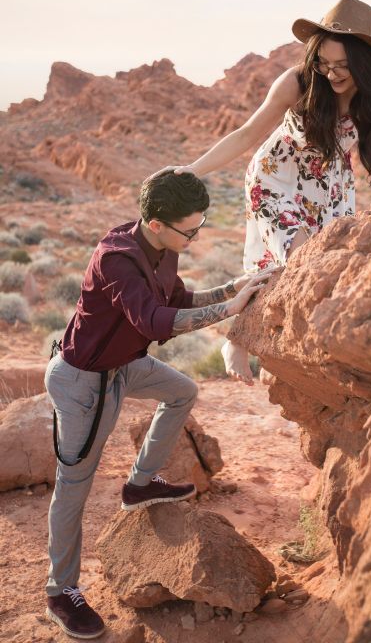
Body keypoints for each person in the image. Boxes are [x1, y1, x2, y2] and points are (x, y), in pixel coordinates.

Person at [44, 171, 273, 640]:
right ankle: (59, 590)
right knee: (74, 488)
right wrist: (229, 313)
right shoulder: (116, 259)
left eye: (199, 225)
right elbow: (152, 321)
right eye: (189, 229)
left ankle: (140, 484)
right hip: (83, 381)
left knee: (183, 391)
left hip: (125, 365)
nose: (195, 236)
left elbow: (180, 300)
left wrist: (236, 287)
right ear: (154, 223)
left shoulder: (164, 250)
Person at [152, 0, 371, 383]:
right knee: (297, 260)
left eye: (342, 66)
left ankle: (290, 349)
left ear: (364, 63)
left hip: (331, 189)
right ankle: (238, 337)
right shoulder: (297, 82)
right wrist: (192, 169)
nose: (330, 73)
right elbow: (248, 133)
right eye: (323, 62)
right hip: (275, 180)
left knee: (322, 270)